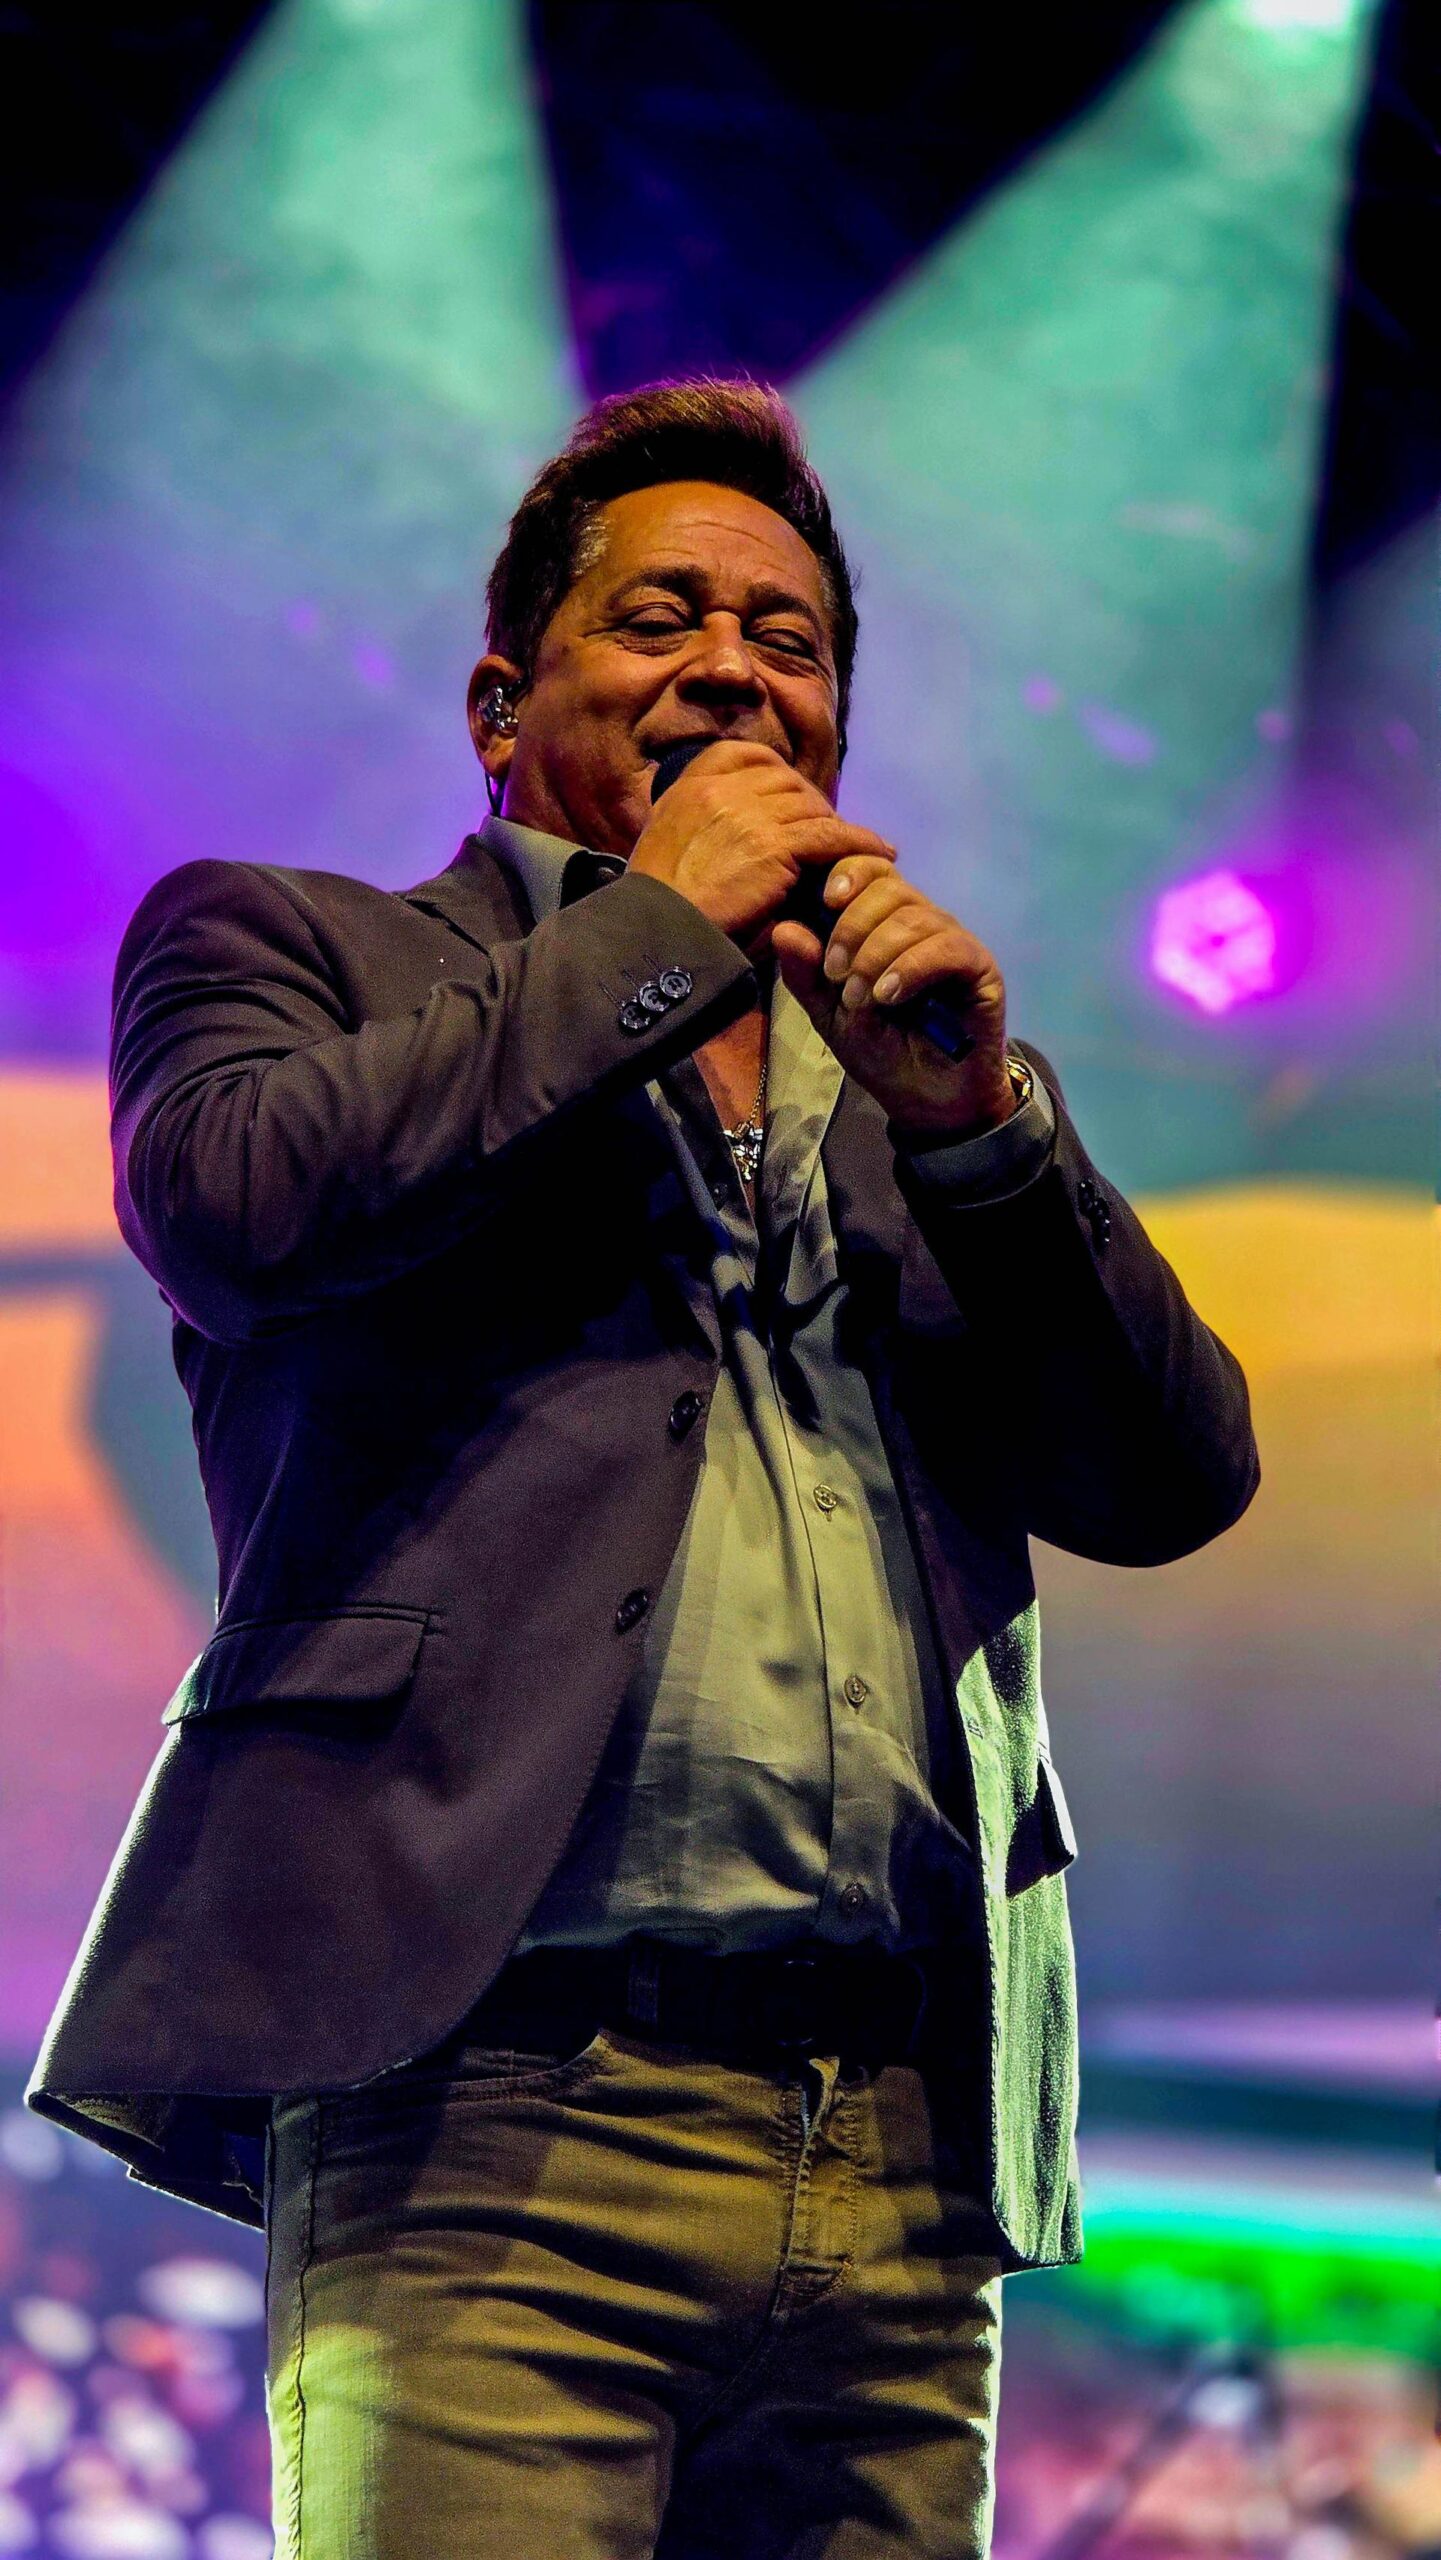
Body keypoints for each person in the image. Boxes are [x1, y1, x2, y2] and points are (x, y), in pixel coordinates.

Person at [28, 379, 1258, 2559]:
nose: (732, 668)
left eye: (789, 642)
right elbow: (234, 1206)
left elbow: (1169, 1474)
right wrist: (655, 933)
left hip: (896, 2147)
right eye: (660, 617)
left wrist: (982, 1130)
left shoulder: (909, 1073)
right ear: (503, 705)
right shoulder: (295, 947)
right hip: (491, 2107)